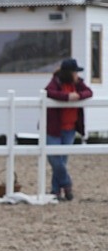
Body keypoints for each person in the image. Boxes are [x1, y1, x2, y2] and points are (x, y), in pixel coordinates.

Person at [44, 58, 93, 201]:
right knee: (54, 158)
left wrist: (78, 96)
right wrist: (66, 97)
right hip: (55, 127)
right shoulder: (56, 82)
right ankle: (67, 184)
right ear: (69, 73)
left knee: (62, 160)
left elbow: (89, 92)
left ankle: (56, 190)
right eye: (75, 72)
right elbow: (48, 92)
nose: (77, 75)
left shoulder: (78, 83)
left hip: (70, 127)